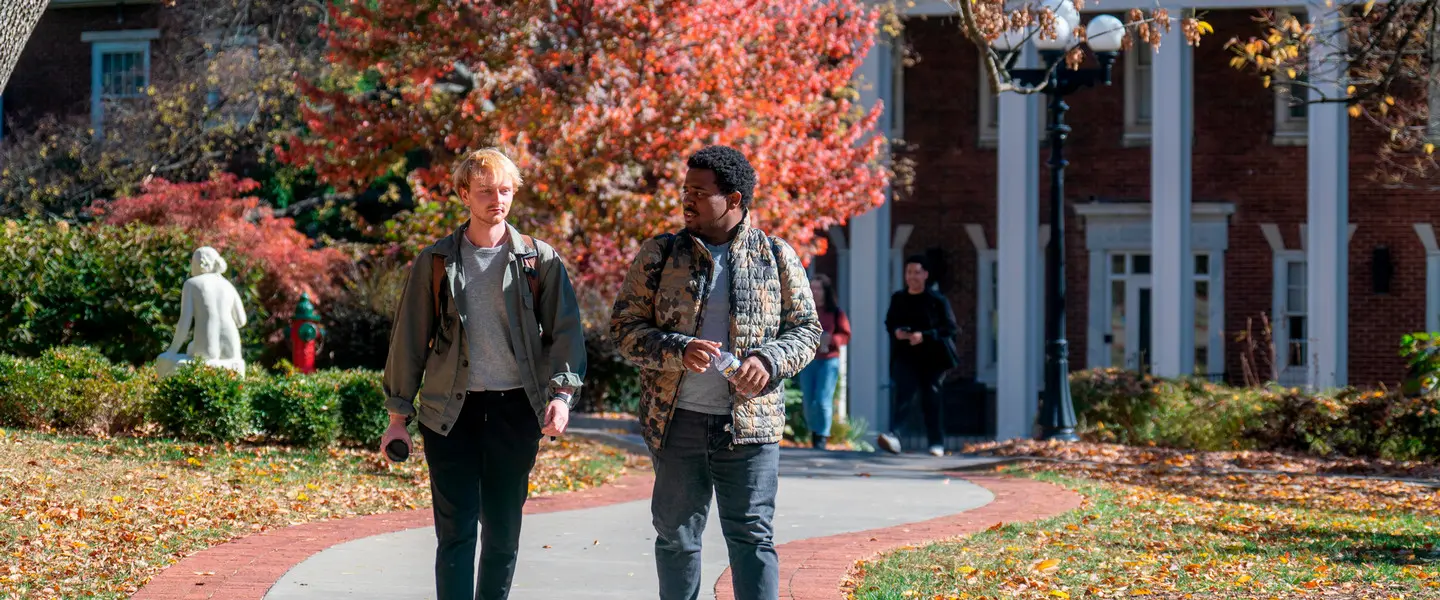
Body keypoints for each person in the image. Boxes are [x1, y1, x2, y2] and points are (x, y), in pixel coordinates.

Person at [610, 145, 820, 600]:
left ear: (734, 199)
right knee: (676, 538)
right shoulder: (660, 253)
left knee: (752, 538)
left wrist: (767, 361)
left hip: (750, 427)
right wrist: (678, 349)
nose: (687, 199)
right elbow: (624, 329)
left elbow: (807, 330)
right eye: (685, 190)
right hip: (677, 421)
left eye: (700, 193)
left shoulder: (775, 255)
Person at [379, 147, 587, 600]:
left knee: (502, 534)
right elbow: (409, 340)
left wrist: (561, 396)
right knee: (455, 533)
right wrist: (398, 417)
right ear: (463, 195)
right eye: (486, 191)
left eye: (505, 190)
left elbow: (566, 331)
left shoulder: (538, 259)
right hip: (449, 414)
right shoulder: (437, 261)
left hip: (516, 411)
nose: (498, 200)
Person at [877, 255, 959, 457]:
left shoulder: (937, 300)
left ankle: (936, 443)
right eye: (909, 272)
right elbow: (889, 322)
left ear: (925, 275)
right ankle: (895, 436)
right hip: (906, 356)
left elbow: (950, 328)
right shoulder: (898, 298)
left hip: (933, 358)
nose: (912, 276)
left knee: (931, 398)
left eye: (916, 272)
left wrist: (924, 336)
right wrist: (897, 332)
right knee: (903, 395)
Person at [798, 274, 850, 449]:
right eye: (812, 288)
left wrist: (831, 340)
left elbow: (845, 335)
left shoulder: (835, 312)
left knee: (822, 400)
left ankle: (822, 435)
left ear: (825, 291)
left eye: (818, 288)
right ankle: (814, 432)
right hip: (808, 361)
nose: (815, 292)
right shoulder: (805, 311)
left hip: (828, 361)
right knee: (808, 400)